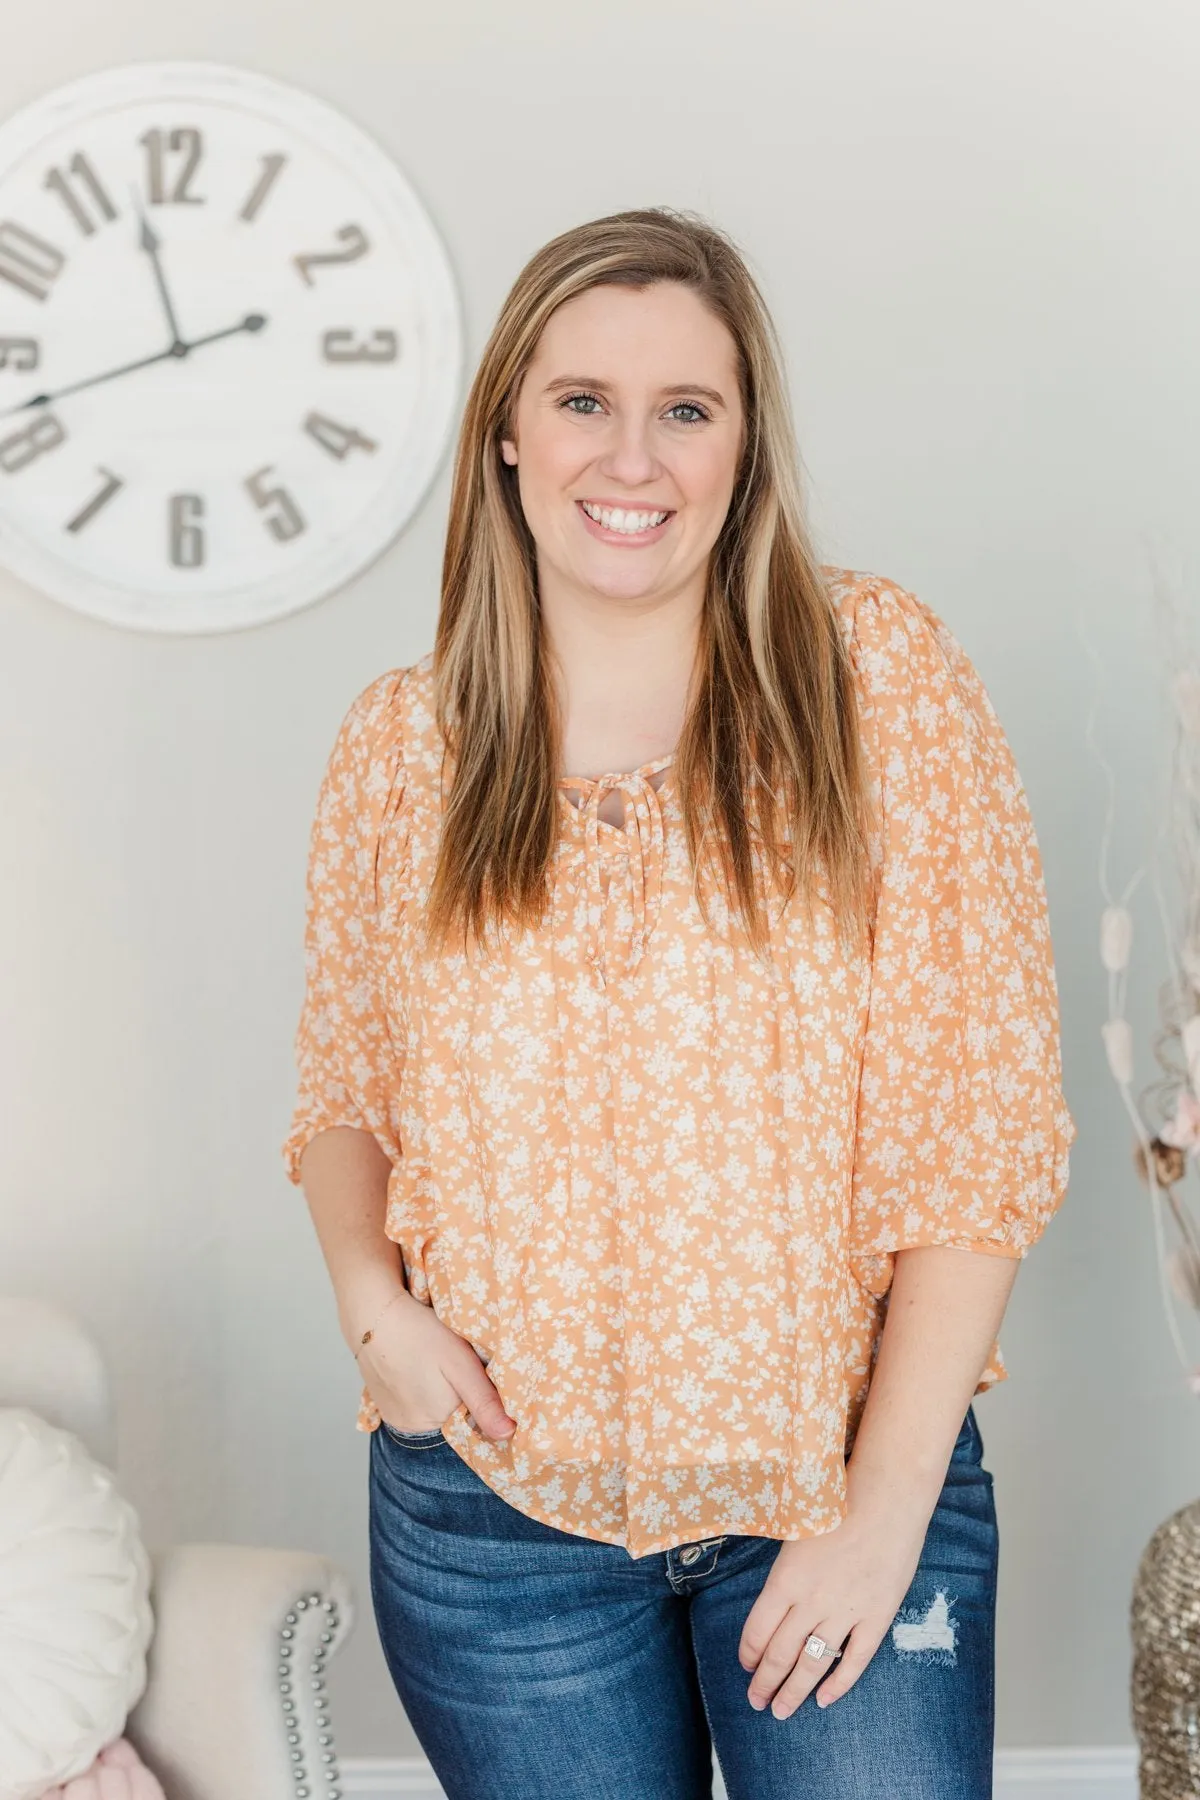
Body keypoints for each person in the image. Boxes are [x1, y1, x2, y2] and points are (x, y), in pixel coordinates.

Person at [282, 207, 1076, 1800]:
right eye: (581, 401)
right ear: (507, 434)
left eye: (684, 411)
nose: (628, 457)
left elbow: (974, 1133)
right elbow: (346, 1096)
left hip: (836, 1488)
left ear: (743, 446)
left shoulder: (881, 682)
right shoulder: (407, 749)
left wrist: (879, 1515)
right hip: (498, 1535)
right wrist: (376, 1315)